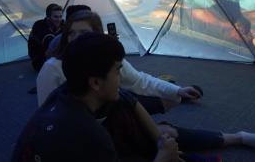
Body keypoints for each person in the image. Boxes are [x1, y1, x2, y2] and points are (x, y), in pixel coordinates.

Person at [12, 32, 180, 162]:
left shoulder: (63, 93)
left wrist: (157, 135)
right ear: (95, 83)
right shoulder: (91, 136)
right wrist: (164, 156)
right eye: (117, 70)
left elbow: (125, 96)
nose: (121, 77)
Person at [38, 10, 203, 114]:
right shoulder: (52, 68)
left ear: (97, 35)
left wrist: (177, 90)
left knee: (170, 104)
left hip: (109, 113)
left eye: (83, 33)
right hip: (82, 126)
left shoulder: (106, 57)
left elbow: (138, 80)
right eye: (71, 33)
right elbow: (46, 113)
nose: (75, 38)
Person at [28, 3, 63, 72]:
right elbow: (49, 45)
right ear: (48, 17)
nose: (59, 19)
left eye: (60, 16)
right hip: (40, 61)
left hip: (57, 59)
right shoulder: (39, 26)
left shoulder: (63, 25)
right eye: (55, 17)